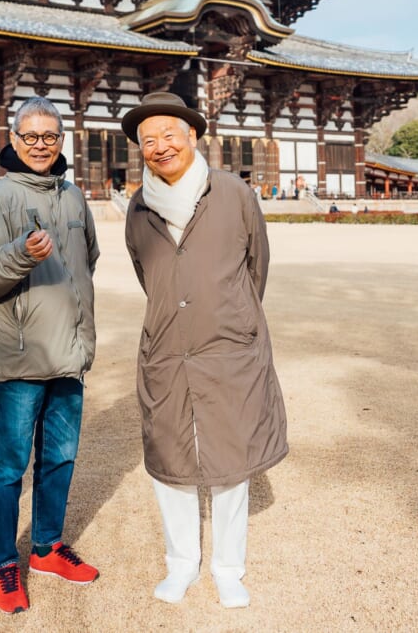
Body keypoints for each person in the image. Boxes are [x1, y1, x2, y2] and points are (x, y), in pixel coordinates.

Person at [120, 92, 288, 610]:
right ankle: (181, 563)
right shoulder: (139, 206)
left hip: (227, 346)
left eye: (169, 134)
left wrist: (230, 314)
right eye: (149, 140)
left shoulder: (233, 192)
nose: (160, 146)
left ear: (192, 135)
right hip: (167, 344)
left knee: (230, 462)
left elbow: (256, 265)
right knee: (171, 458)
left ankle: (228, 568)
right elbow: (147, 273)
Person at [0, 96, 100, 614]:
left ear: (62, 140)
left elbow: (88, 260)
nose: (40, 145)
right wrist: (19, 255)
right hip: (19, 357)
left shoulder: (74, 197)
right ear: (13, 140)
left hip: (69, 353)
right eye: (30, 136)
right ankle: (2, 562)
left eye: (50, 136)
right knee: (7, 468)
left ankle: (46, 547)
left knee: (60, 458)